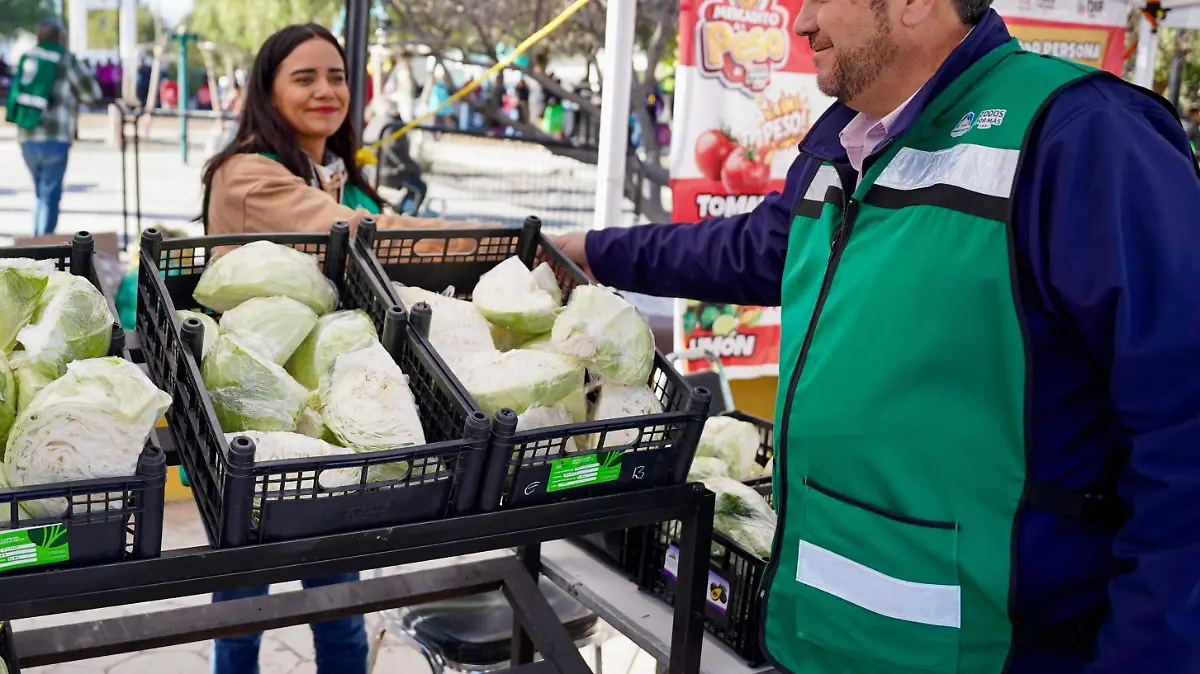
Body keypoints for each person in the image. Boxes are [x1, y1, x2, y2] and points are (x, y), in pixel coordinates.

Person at [554, 0, 1200, 671]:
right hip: (823, 640)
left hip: (989, 651)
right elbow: (752, 248)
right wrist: (592, 251)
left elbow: (1184, 436)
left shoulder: (1084, 136)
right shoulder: (847, 145)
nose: (801, 24)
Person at [200, 23, 491, 674]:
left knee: (339, 601)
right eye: (304, 78)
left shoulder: (334, 174)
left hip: (329, 412)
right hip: (256, 411)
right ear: (266, 91)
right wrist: (491, 240)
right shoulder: (249, 173)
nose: (326, 90)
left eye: (336, 77)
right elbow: (369, 236)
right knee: (245, 605)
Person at [5, 19, 100, 236]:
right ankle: (42, 246)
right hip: (55, 137)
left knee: (41, 192)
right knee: (49, 194)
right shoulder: (65, 59)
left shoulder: (28, 58)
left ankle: (36, 240)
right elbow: (91, 93)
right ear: (60, 37)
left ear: (38, 36)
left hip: (27, 135)